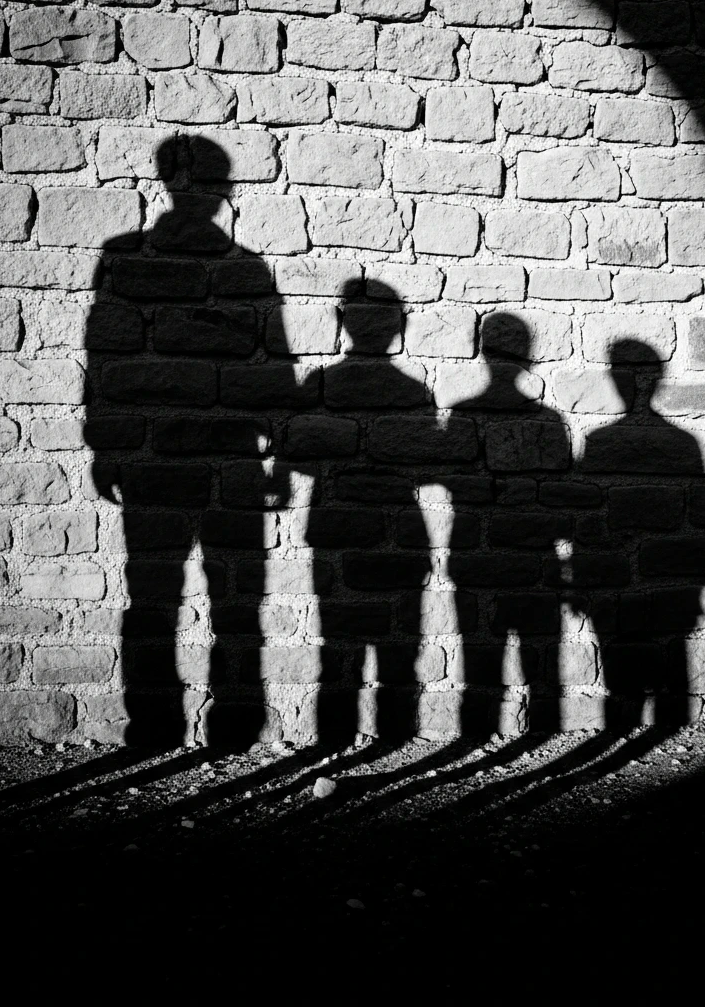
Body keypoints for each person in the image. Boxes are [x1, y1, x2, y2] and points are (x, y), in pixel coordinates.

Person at [84, 136, 294, 750]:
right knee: (230, 597)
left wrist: (108, 446)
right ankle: (231, 725)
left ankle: (156, 725)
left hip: (167, 451)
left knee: (155, 594)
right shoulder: (242, 267)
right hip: (226, 453)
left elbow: (105, 357)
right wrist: (276, 456)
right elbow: (272, 367)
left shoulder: (128, 258)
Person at [295, 278, 435, 750]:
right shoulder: (415, 392)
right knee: (401, 644)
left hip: (333, 524)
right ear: (399, 327)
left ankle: (333, 739)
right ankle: (394, 734)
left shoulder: (320, 384)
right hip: (400, 526)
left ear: (341, 323)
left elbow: (292, 459)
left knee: (337, 643)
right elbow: (427, 465)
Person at [574, 339, 705, 736]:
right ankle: (657, 730)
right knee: (668, 660)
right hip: (657, 573)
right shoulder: (682, 441)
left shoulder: (600, 441)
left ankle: (620, 736)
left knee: (624, 665)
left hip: (619, 573)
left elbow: (583, 520)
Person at [444, 312, 571, 738]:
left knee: (478, 655)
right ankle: (543, 734)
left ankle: (474, 735)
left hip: (471, 553)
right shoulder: (549, 420)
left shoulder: (462, 413)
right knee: (542, 659)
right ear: (528, 358)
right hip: (538, 557)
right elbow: (561, 496)